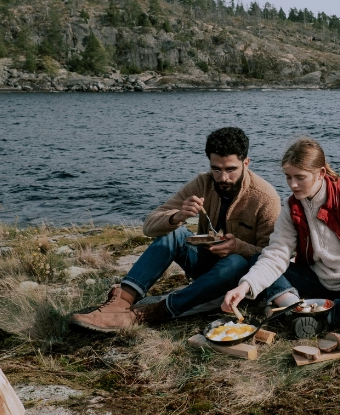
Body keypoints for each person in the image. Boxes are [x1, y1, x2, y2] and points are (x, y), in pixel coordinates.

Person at [71, 127, 281, 332]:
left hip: (238, 281)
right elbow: (149, 225)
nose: (223, 177)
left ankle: (155, 312)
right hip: (205, 267)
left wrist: (238, 247)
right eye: (216, 169)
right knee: (175, 233)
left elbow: (272, 257)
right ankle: (120, 302)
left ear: (246, 163)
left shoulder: (265, 198)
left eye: (230, 169)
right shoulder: (203, 182)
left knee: (235, 262)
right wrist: (178, 216)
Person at [221, 137, 340, 336]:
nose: (293, 185)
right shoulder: (291, 208)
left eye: (300, 177)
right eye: (288, 177)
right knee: (258, 260)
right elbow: (276, 255)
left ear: (321, 173)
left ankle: (315, 317)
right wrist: (244, 287)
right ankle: (297, 308)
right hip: (320, 280)